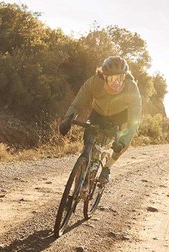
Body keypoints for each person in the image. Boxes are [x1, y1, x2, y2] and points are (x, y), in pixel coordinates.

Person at [58, 56, 142, 184]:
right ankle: (82, 177)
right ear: (104, 76)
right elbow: (77, 104)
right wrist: (67, 120)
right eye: (113, 78)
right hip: (98, 113)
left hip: (120, 117)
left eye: (120, 78)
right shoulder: (93, 82)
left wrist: (123, 141)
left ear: (125, 76)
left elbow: (134, 120)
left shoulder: (131, 88)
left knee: (122, 142)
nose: (117, 83)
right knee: (88, 145)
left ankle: (107, 168)